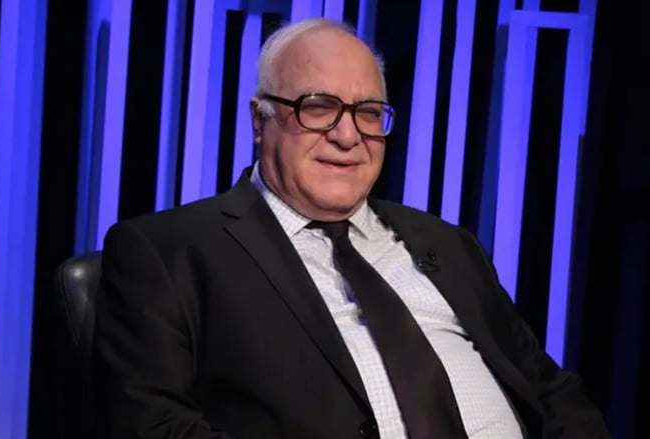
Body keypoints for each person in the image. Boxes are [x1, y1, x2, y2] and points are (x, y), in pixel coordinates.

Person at [94, 18, 609, 439]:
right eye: (318, 107)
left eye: (368, 112)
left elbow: (551, 391)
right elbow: (154, 427)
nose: (347, 135)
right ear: (260, 119)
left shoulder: (447, 243)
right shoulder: (168, 250)